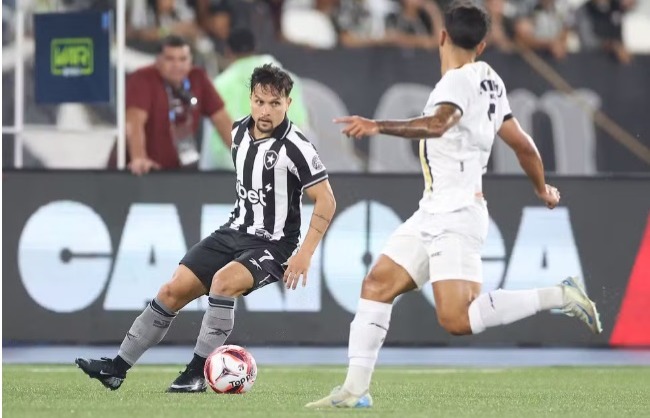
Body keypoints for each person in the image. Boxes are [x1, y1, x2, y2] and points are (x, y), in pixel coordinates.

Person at [306, 0, 602, 409]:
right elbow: (524, 146)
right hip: (433, 210)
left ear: (442, 35)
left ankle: (560, 295)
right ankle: (355, 390)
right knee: (376, 284)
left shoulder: (454, 83)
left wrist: (378, 126)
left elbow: (438, 123)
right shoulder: (489, 80)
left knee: (457, 319)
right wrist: (542, 189)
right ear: (482, 45)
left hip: (457, 214)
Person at [79, 64, 337, 393]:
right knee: (171, 291)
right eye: (259, 102)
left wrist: (305, 254)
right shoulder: (239, 132)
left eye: (275, 103)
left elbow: (326, 200)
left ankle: (197, 373)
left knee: (223, 283)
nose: (265, 111)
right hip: (233, 232)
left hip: (273, 245)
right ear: (250, 99)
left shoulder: (296, 146)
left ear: (288, 103)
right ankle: (116, 368)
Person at [109, 35, 233, 175]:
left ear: (191, 61)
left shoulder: (198, 78)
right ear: (158, 60)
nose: (177, 65)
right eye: (170, 59)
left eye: (183, 59)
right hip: (142, 174)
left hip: (179, 172)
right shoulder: (143, 78)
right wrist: (139, 158)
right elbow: (134, 121)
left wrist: (247, 157)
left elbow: (222, 120)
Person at [200, 27, 310, 170]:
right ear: (256, 47)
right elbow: (301, 126)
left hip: (230, 170)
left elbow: (214, 139)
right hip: (280, 165)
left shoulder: (220, 84)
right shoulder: (290, 80)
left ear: (228, 51)